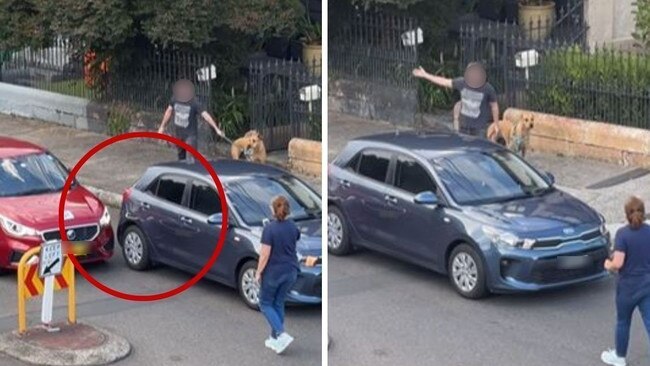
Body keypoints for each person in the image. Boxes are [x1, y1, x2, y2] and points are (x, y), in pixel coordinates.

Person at [601, 196, 650, 366]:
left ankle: (620, 357)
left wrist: (607, 264)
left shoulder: (623, 235)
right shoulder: (649, 231)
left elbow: (618, 264)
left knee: (623, 322)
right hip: (646, 284)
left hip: (628, 288)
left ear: (627, 214)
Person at [256, 195, 300, 354]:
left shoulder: (269, 229)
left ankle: (281, 334)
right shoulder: (293, 227)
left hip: (274, 273)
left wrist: (258, 272)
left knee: (265, 303)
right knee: (278, 302)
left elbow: (265, 254)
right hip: (291, 271)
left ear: (274, 210)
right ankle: (275, 339)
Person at [412, 62, 500, 138]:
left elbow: (494, 106)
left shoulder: (487, 88)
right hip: (464, 126)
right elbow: (443, 81)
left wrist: (496, 124)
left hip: (479, 128)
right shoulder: (462, 83)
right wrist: (425, 75)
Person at [157, 79, 225, 161]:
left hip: (190, 136)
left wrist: (216, 129)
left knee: (191, 159)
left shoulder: (195, 102)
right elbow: (169, 111)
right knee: (181, 159)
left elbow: (206, 116)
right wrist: (162, 127)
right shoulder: (175, 98)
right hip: (179, 134)